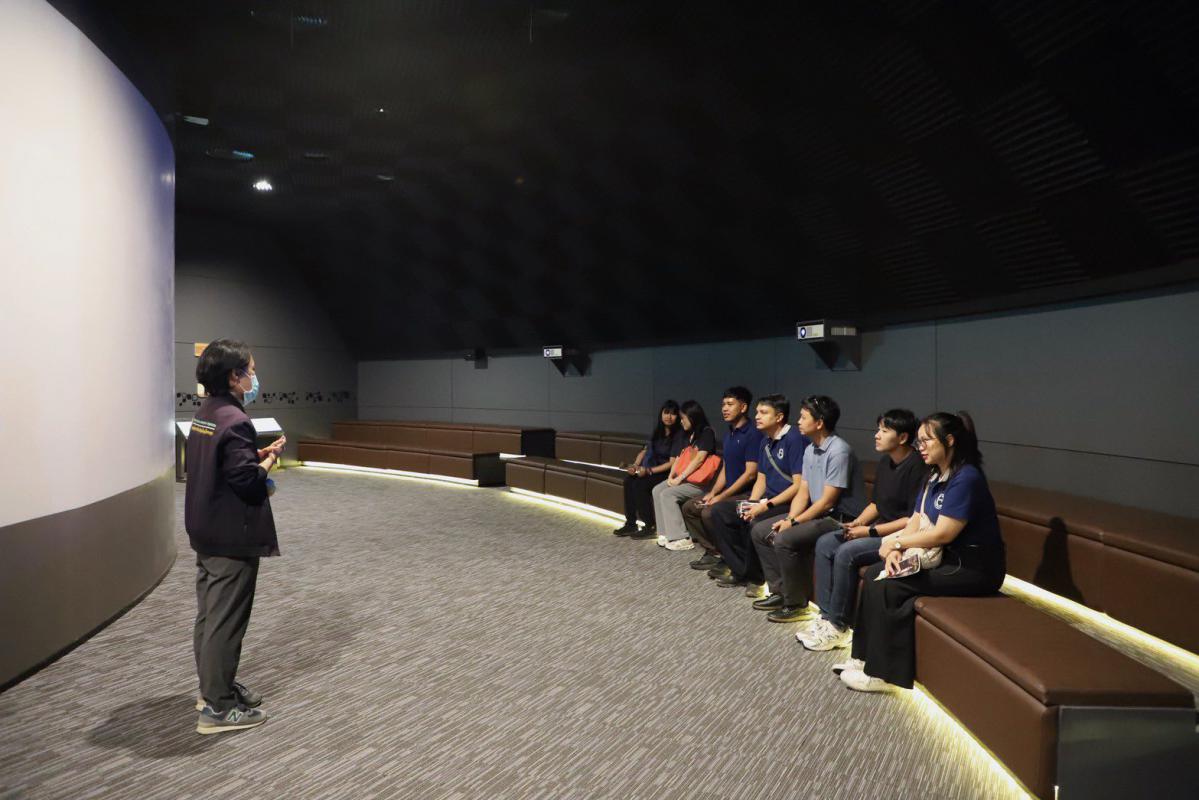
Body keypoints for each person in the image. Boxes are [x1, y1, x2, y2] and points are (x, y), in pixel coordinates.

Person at [839, 412, 1006, 692]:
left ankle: (884, 674)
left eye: (927, 440)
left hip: (973, 568)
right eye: (919, 442)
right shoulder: (934, 475)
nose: (921, 447)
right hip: (944, 558)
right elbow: (915, 520)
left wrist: (897, 544)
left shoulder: (966, 478)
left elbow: (943, 534)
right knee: (874, 574)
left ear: (949, 441)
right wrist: (896, 549)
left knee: (890, 586)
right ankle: (863, 657)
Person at [186, 339, 285, 734]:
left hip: (206, 528)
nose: (254, 378)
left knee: (210, 615)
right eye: (251, 371)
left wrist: (253, 456)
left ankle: (213, 688)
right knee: (226, 621)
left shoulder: (206, 413)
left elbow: (220, 463)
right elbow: (247, 484)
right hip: (231, 534)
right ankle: (218, 708)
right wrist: (270, 461)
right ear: (234, 376)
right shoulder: (236, 420)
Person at [800, 409, 925, 651]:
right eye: (878, 429)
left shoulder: (917, 468)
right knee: (826, 543)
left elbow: (912, 519)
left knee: (847, 552)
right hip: (878, 528)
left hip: (901, 536)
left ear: (902, 437)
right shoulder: (886, 462)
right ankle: (825, 617)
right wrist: (857, 523)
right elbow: (876, 504)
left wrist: (869, 532)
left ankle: (838, 625)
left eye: (884, 431)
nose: (876, 435)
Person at [751, 395, 867, 622]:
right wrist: (791, 518)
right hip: (818, 513)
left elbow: (828, 502)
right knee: (759, 531)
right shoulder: (810, 449)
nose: (798, 422)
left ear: (819, 422)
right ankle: (780, 591)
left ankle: (796, 604)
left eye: (804, 418)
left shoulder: (839, 450)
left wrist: (794, 523)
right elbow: (803, 491)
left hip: (839, 518)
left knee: (784, 538)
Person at [705, 394, 809, 596]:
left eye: (763, 412)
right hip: (766, 500)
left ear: (779, 417)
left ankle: (755, 577)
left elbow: (798, 486)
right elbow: (761, 478)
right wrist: (752, 503)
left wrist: (763, 506)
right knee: (719, 511)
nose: (757, 416)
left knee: (755, 522)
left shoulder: (794, 439)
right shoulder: (765, 442)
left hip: (786, 503)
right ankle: (740, 569)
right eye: (757, 412)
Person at [681, 387, 763, 571]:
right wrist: (713, 493)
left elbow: (750, 473)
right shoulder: (729, 434)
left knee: (709, 512)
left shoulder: (753, 434)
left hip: (747, 493)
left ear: (743, 407)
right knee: (690, 508)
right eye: (723, 404)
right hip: (729, 492)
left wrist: (721, 497)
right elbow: (726, 468)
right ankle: (715, 552)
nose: (724, 408)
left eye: (730, 404)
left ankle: (729, 558)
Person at [650, 400, 718, 551]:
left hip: (700, 483)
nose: (681, 421)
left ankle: (681, 537)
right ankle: (665, 533)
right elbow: (679, 457)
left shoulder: (707, 432)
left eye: (683, 418)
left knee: (668, 494)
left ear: (692, 418)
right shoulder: (688, 434)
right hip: (686, 479)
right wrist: (671, 477)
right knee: (657, 490)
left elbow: (699, 459)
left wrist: (679, 478)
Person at [613, 400, 683, 539]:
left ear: (678, 417)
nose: (669, 417)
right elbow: (645, 451)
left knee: (640, 484)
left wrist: (649, 471)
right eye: (666, 412)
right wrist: (635, 465)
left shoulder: (678, 436)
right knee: (629, 481)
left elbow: (672, 463)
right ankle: (631, 524)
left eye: (673, 414)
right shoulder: (657, 432)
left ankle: (650, 525)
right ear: (661, 414)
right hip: (650, 469)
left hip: (666, 473)